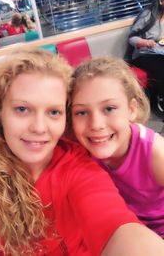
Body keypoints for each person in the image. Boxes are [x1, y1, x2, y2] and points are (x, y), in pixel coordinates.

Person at [0, 50, 164, 256]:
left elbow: (113, 221)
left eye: (54, 112)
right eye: (22, 109)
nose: (39, 127)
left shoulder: (77, 163)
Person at [70, 55, 164, 239]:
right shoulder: (80, 149)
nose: (96, 124)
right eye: (81, 112)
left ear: (131, 109)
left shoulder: (155, 152)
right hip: (122, 231)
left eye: (109, 108)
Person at [128, 0, 164, 113]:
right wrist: (144, 42)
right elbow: (132, 38)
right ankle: (159, 102)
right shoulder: (148, 15)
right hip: (144, 55)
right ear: (161, 1)